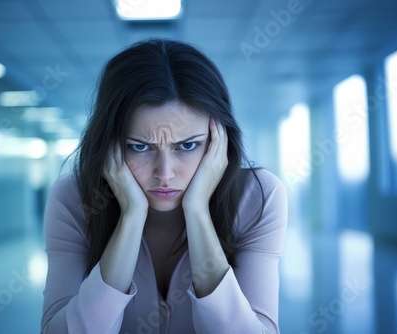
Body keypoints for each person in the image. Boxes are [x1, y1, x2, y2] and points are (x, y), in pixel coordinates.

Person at [41, 38, 287, 334]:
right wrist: (131, 216)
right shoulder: (72, 199)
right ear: (109, 145)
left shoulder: (259, 197)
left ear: (217, 141)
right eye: (139, 147)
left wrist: (197, 211)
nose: (165, 173)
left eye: (187, 145)